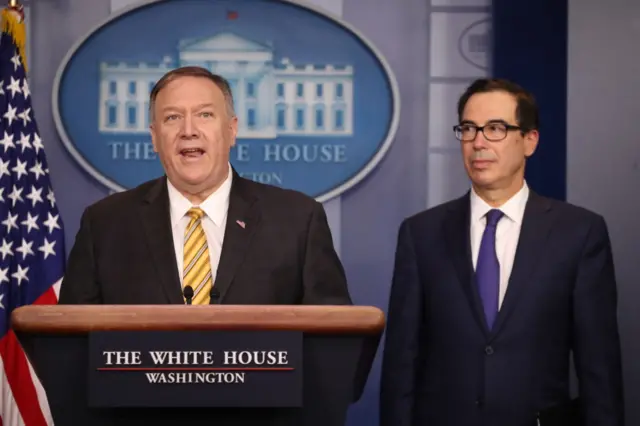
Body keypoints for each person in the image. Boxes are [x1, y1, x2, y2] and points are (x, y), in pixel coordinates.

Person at [380, 78, 624, 426]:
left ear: (529, 140)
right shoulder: (421, 234)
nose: (478, 142)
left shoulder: (579, 233)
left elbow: (599, 367)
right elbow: (401, 364)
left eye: (495, 128)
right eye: (468, 129)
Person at [58, 66, 351, 306]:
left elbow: (332, 341)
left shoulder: (298, 220)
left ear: (232, 130)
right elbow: (72, 341)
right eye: (172, 118)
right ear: (154, 137)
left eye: (205, 115)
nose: (188, 131)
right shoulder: (105, 224)